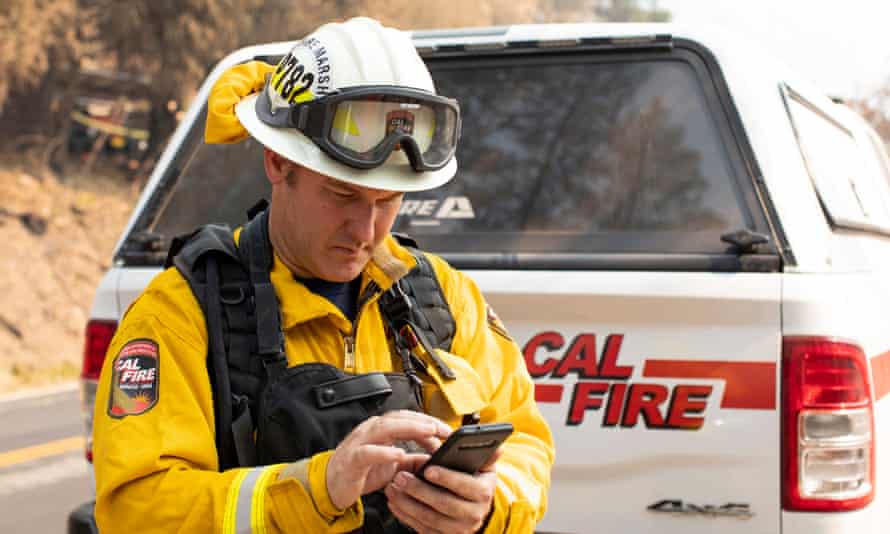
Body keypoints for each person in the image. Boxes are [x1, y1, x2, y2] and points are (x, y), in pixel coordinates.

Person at [92, 17, 554, 534]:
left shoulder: (444, 298)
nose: (366, 230)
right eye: (342, 196)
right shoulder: (180, 317)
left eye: (388, 202)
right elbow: (136, 511)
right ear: (275, 162)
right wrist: (317, 489)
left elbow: (527, 447)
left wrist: (490, 503)